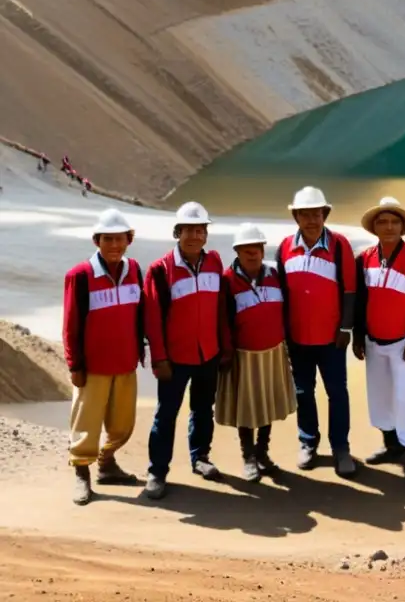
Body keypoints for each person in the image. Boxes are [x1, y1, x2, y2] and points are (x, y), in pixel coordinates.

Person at [144, 202, 228, 500]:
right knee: (166, 415)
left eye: (200, 230)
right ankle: (157, 471)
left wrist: (224, 347)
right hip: (174, 359)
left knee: (204, 409)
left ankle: (200, 457)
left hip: (208, 354)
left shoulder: (215, 262)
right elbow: (152, 320)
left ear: (206, 234)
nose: (194, 236)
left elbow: (220, 309)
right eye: (188, 230)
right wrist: (159, 358)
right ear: (177, 233)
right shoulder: (160, 270)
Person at [62, 208, 145, 505]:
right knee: (86, 424)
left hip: (125, 362)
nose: (114, 245)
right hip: (93, 367)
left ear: (129, 240)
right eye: (107, 239)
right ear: (97, 241)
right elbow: (71, 325)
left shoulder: (134, 269)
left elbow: (140, 314)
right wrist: (75, 364)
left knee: (122, 424)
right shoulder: (80, 276)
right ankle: (82, 474)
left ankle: (107, 464)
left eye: (119, 239)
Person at [276, 186, 358, 478]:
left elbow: (350, 290)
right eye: (305, 215)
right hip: (298, 337)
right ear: (295, 217)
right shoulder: (285, 247)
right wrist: (283, 333)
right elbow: (281, 293)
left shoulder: (339, 245)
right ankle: (308, 442)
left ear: (325, 214)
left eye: (316, 214)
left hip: (331, 337)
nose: (311, 220)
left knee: (337, 392)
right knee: (303, 391)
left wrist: (346, 327)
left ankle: (341, 448)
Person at [353, 197, 405, 493]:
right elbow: (361, 302)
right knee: (381, 396)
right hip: (374, 342)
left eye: (394, 222)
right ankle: (392, 447)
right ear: (374, 227)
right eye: (383, 222)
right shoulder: (365, 257)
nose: (389, 227)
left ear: (403, 227)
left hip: (403, 344)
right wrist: (359, 336)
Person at [216, 223, 296, 482]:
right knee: (247, 408)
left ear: (263, 250)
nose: (253, 253)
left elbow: (286, 311)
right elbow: (223, 320)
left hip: (272, 352)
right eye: (246, 249)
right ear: (237, 251)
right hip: (243, 355)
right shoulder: (227, 281)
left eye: (257, 248)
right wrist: (226, 352)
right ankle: (248, 455)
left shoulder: (275, 274)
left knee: (267, 403)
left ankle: (263, 451)